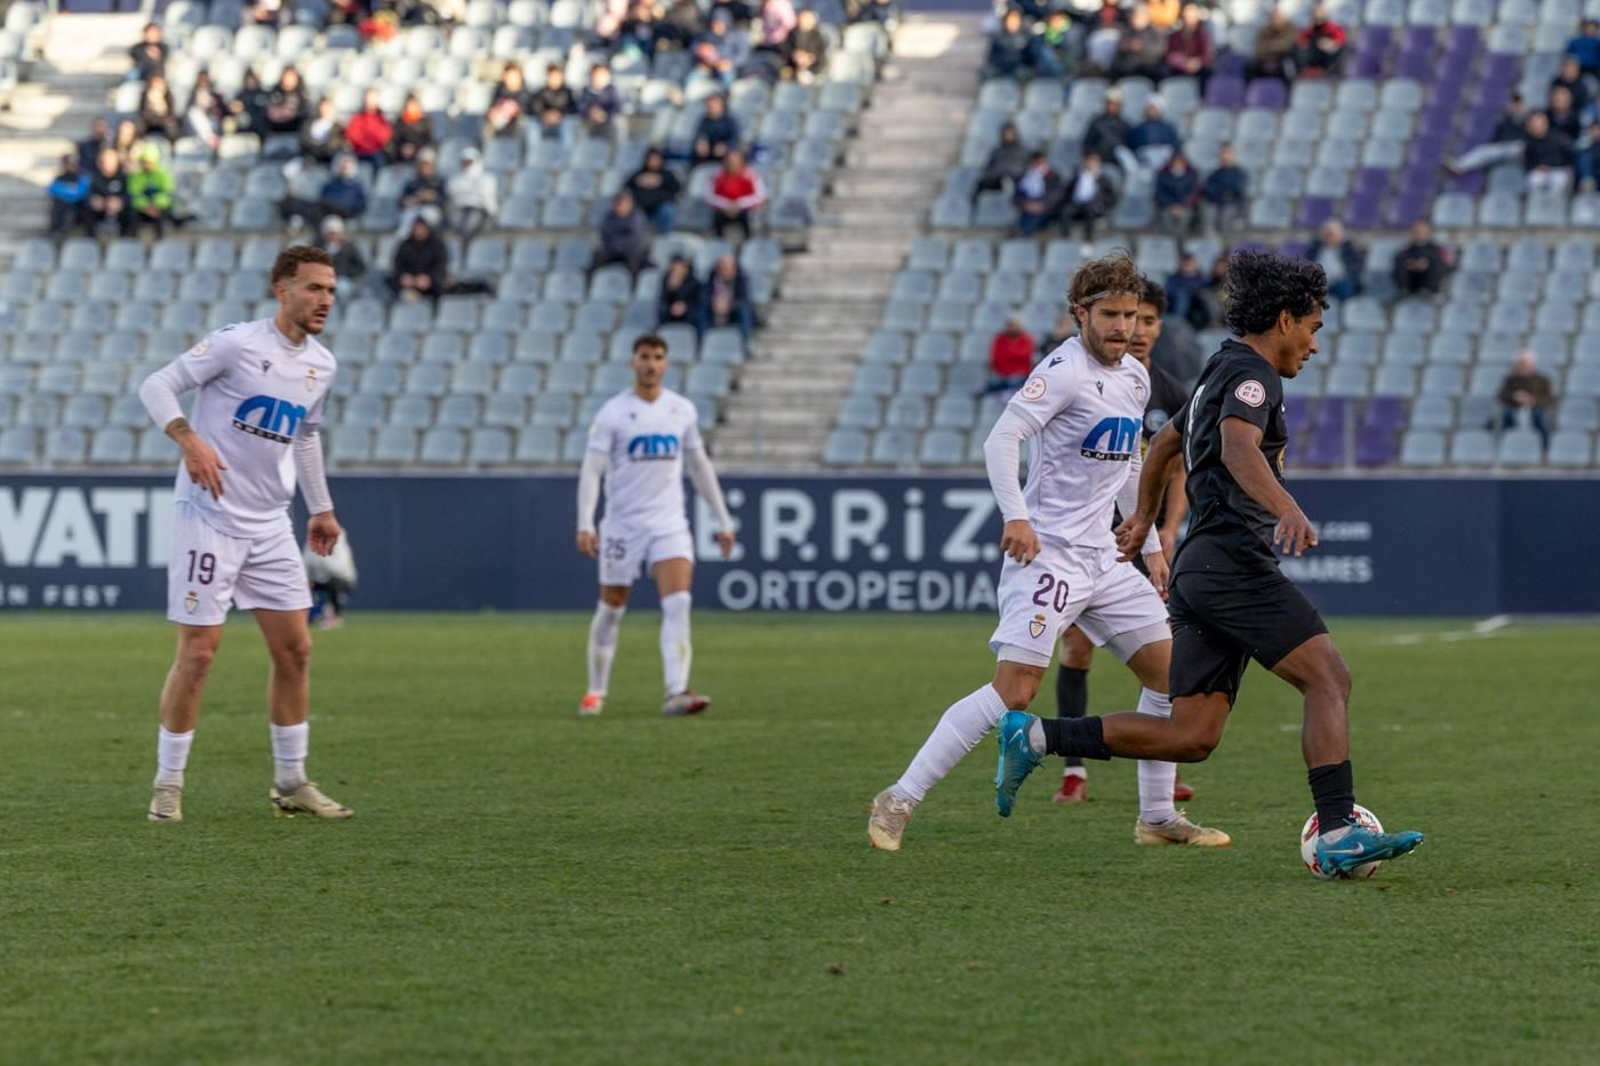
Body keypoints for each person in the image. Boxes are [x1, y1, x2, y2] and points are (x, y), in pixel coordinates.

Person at [994, 249, 1426, 879]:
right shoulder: (1254, 374)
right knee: (1329, 678)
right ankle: (1337, 829)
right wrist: (1285, 506)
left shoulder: (1218, 366)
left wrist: (1142, 517)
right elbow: (1237, 443)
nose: (1313, 343)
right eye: (1312, 327)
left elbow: (1166, 439)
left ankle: (1036, 738)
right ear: (1284, 319)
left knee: (1191, 735)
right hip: (1232, 565)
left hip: (1199, 569)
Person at [867, 253, 1229, 853]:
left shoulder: (1136, 377)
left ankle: (1157, 818)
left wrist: (1140, 525)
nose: (1123, 327)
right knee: (1015, 692)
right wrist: (1017, 516)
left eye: (1132, 315)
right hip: (1049, 556)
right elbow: (1002, 438)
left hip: (1105, 559)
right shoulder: (1062, 370)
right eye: (1109, 314)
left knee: (1173, 678)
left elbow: (1133, 454)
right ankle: (899, 797)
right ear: (1079, 314)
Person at [135, 245, 350, 823]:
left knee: (297, 651)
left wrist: (321, 509)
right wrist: (190, 440)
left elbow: (304, 436)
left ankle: (291, 781)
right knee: (200, 654)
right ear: (282, 291)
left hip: (271, 523)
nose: (325, 299)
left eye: (330, 289)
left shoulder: (321, 364)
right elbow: (157, 385)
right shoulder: (237, 343)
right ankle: (168, 786)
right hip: (209, 517)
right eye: (313, 288)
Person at [1051, 277, 1194, 805]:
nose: (1136, 330)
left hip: (1141, 539)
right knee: (1078, 648)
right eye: (1129, 318)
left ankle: (1163, 776)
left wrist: (1166, 531)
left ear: (1155, 327)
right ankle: (1074, 770)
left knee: (1162, 658)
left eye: (1147, 320)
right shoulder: (1086, 375)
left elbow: (1175, 471)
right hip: (1087, 541)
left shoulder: (1169, 392)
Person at [575, 333, 737, 717]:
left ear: (666, 363)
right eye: (645, 357)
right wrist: (586, 522)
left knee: (679, 603)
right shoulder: (613, 413)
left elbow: (699, 467)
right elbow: (592, 471)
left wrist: (724, 519)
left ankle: (676, 691)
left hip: (669, 524)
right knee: (612, 608)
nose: (651, 364)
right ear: (633, 362)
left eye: (658, 357)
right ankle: (596, 690)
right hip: (623, 525)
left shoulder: (681, 410)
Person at [1445, 93, 1528, 175]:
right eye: (1511, 104)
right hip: (1511, 149)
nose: (1512, 107)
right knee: (1485, 150)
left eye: (1515, 104)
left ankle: (1460, 166)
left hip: (1527, 148)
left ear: (1521, 103)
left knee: (1514, 147)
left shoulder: (1529, 116)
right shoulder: (1507, 119)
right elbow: (1499, 137)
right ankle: (1460, 166)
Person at [1498, 349, 1554, 450]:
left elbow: (1548, 398)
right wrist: (1514, 396)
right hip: (1514, 407)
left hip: (1535, 408)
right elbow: (1502, 395)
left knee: (1540, 420)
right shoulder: (1511, 379)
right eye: (1521, 363)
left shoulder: (1542, 379)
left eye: (1526, 363)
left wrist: (1533, 400)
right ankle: (1502, 448)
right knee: (1505, 418)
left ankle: (1545, 449)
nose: (1523, 366)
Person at [707, 149, 766, 239]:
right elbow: (710, 196)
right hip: (724, 210)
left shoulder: (751, 175)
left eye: (735, 161)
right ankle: (719, 244)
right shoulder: (718, 176)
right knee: (717, 218)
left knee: (747, 219)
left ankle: (747, 243)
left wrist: (739, 204)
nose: (732, 163)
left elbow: (760, 196)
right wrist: (726, 205)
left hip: (745, 210)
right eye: (730, 161)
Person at [592, 190, 652, 277]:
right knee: (598, 256)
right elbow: (604, 235)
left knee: (634, 260)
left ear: (629, 204)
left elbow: (634, 239)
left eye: (621, 204)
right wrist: (615, 244)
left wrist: (616, 242)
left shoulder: (637, 217)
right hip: (613, 250)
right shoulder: (609, 216)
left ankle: (633, 286)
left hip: (633, 251)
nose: (618, 207)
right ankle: (590, 283)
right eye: (616, 204)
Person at [305, 532, 357, 630]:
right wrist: (308, 577)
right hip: (318, 581)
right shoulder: (311, 542)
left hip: (340, 582)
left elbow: (338, 569)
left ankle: (335, 616)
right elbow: (306, 562)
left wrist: (322, 556)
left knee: (335, 584)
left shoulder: (340, 545)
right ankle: (306, 615)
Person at [626, 147, 683, 234]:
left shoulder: (666, 175)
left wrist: (661, 181)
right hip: (640, 210)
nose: (654, 162)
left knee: (669, 210)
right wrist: (638, 181)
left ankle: (665, 237)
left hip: (658, 210)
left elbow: (677, 189)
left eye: (657, 159)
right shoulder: (639, 174)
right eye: (651, 159)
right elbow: (626, 188)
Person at [1061, 150, 1115, 242]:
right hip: (1077, 204)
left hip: (1094, 206)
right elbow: (1067, 191)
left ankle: (1088, 241)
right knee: (1065, 212)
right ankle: (1066, 240)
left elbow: (1111, 196)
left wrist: (1103, 204)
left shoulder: (1103, 179)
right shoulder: (1078, 176)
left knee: (1089, 211)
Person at [391, 215, 448, 300]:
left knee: (439, 284)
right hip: (410, 282)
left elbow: (440, 265)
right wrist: (403, 276)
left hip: (430, 282)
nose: (418, 232)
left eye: (421, 229)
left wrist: (429, 278)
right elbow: (398, 264)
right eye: (416, 229)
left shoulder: (437, 245)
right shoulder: (405, 245)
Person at [1305, 219, 1363, 301]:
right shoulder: (1315, 247)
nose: (1330, 236)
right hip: (1318, 282)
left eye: (1333, 234)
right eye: (1328, 233)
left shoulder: (1348, 249)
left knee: (1347, 286)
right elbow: (1306, 264)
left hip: (1340, 282)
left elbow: (1354, 269)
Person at [448, 146, 498, 240]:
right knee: (456, 220)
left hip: (480, 210)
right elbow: (453, 191)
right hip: (460, 209)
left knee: (471, 222)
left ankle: (467, 246)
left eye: (469, 161)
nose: (466, 164)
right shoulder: (455, 178)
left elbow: (485, 194)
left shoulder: (487, 177)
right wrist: (472, 191)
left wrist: (466, 191)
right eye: (464, 162)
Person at [700, 253, 755, 339]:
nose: (728, 271)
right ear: (718, 269)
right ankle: (703, 341)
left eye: (731, 268)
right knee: (701, 312)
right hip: (713, 310)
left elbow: (744, 300)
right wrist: (714, 304)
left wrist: (729, 306)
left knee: (745, 312)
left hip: (733, 312)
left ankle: (745, 343)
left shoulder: (742, 281)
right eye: (724, 268)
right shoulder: (710, 281)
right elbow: (704, 298)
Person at [128, 142, 175, 237]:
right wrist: (146, 206)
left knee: (161, 217)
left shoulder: (164, 175)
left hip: (159, 208)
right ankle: (132, 241)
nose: (147, 165)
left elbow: (167, 194)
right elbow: (134, 195)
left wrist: (155, 205)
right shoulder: (137, 176)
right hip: (143, 209)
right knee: (131, 215)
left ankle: (159, 243)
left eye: (150, 162)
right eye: (145, 162)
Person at [1392, 221, 1448, 299]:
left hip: (1431, 290)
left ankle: (1427, 291)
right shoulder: (1405, 251)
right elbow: (1398, 269)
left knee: (1436, 261)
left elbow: (1444, 268)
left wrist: (1427, 265)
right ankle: (1405, 291)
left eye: (1423, 232)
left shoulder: (1437, 250)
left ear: (1429, 233)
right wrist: (1412, 265)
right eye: (1417, 232)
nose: (1420, 235)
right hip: (1411, 287)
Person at [1522, 110, 1573, 196]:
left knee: (1558, 180)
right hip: (1538, 172)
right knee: (1534, 180)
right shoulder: (1529, 142)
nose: (1536, 125)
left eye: (1539, 122)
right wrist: (1538, 167)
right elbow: (1528, 164)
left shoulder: (1557, 138)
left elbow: (1566, 159)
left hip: (1558, 170)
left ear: (1546, 123)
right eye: (1534, 123)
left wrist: (1550, 166)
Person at [396, 149, 447, 235]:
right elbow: (401, 201)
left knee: (427, 216)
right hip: (413, 210)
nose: (424, 167)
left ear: (433, 166)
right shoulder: (412, 182)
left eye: (427, 164)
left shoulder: (439, 181)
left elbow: (444, 201)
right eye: (422, 164)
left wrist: (432, 198)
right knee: (406, 220)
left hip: (432, 210)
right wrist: (408, 201)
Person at [974, 122, 1029, 200]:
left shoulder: (1023, 151)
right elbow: (988, 167)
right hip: (997, 179)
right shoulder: (997, 151)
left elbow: (1028, 168)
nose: (1007, 136)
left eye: (1010, 133)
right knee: (981, 184)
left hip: (1016, 179)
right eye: (1005, 134)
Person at [1013, 153, 1062, 236]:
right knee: (1023, 221)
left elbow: (1056, 194)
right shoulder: (1025, 178)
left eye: (1039, 162)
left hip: (1047, 209)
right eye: (1035, 162)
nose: (1037, 165)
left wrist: (1042, 204)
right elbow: (1016, 196)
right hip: (1028, 208)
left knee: (1031, 222)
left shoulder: (1053, 177)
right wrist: (1026, 204)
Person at [88, 146, 133, 237]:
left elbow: (130, 195)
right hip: (101, 209)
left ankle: (126, 238)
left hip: (120, 210)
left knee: (131, 213)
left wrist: (121, 202)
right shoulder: (94, 178)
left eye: (111, 160)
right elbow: (89, 194)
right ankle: (91, 238)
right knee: (87, 212)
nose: (108, 163)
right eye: (106, 161)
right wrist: (95, 201)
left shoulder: (123, 177)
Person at [1162, 2, 1213, 81]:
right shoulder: (1174, 36)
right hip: (1179, 68)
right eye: (1187, 15)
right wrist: (1182, 62)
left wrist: (1197, 62)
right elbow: (1169, 54)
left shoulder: (1202, 35)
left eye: (1192, 15)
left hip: (1197, 68)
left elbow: (1206, 55)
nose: (1189, 18)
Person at [985, 316, 1035, 394]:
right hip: (1000, 373)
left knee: (1015, 383)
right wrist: (1014, 354)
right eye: (1010, 325)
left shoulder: (1026, 339)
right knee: (990, 385)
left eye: (1014, 325)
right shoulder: (999, 338)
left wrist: (1009, 352)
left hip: (1019, 374)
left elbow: (1025, 357)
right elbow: (997, 357)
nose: (1012, 328)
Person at [1154, 152, 1200, 235]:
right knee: (1166, 218)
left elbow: (1193, 193)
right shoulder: (1163, 175)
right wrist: (1171, 205)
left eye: (1180, 162)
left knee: (1185, 218)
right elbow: (1160, 193)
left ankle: (1181, 240)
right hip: (1168, 206)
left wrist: (1183, 205)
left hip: (1186, 206)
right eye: (1175, 161)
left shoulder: (1192, 174)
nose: (1177, 164)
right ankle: (1169, 240)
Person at [1297, 3, 1346, 78]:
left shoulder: (1334, 29)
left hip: (1328, 62)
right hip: (1311, 62)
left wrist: (1330, 44)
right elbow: (1301, 42)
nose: (1318, 14)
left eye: (1321, 12)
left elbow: (1340, 43)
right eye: (1316, 12)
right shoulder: (1309, 30)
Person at [691, 93, 740, 168]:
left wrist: (725, 146)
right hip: (706, 157)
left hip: (724, 158)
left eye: (714, 103)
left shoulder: (730, 121)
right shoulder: (703, 121)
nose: (711, 106)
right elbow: (698, 136)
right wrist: (700, 143)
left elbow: (735, 139)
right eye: (709, 103)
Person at [528, 63, 575, 141]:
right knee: (532, 124)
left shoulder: (568, 92)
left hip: (562, 121)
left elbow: (572, 108)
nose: (554, 79)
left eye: (557, 76)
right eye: (552, 76)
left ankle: (568, 152)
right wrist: (544, 115)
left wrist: (560, 115)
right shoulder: (541, 92)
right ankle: (534, 151)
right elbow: (536, 107)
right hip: (543, 122)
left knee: (568, 125)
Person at [315, 215, 367, 283]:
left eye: (334, 234)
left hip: (343, 279)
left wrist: (348, 274)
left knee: (342, 286)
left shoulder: (349, 247)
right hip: (323, 278)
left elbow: (360, 266)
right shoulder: (318, 248)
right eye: (330, 234)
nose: (332, 236)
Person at [47, 154, 91, 236]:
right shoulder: (60, 178)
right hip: (63, 204)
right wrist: (70, 191)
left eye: (72, 164)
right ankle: (56, 232)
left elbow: (80, 193)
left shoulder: (82, 177)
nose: (70, 166)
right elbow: (52, 190)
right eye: (67, 164)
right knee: (58, 205)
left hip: (78, 204)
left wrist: (65, 192)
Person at [1252, 7, 1299, 81]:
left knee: (1288, 66)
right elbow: (1259, 47)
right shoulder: (1265, 29)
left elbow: (1286, 45)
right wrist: (1268, 58)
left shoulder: (1291, 28)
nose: (1276, 19)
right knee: (1251, 66)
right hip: (1265, 60)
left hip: (1281, 59)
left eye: (1278, 17)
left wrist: (1269, 46)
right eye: (1273, 17)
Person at [985, 8, 1033, 79]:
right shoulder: (998, 38)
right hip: (1001, 71)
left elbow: (1030, 60)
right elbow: (992, 59)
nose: (1013, 23)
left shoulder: (1026, 38)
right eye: (1010, 19)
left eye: (1016, 20)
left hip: (1019, 72)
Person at [298, 97, 348, 165]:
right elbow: (304, 141)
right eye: (322, 106)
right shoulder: (308, 124)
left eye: (326, 107)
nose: (323, 109)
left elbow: (333, 146)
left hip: (330, 158)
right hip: (310, 157)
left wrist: (321, 149)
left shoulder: (337, 127)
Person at [1165, 251, 1209, 327]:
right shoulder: (1173, 278)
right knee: (1181, 295)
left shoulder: (1202, 279)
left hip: (1197, 305)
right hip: (1179, 305)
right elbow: (1168, 292)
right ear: (1180, 264)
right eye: (1186, 263)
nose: (1188, 266)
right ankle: (1179, 324)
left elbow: (1207, 290)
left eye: (1190, 263)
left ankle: (1211, 323)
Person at [786, 7, 829, 83]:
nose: (803, 21)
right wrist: (795, 57)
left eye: (807, 18)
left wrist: (810, 59)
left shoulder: (819, 37)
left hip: (813, 71)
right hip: (794, 68)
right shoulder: (792, 35)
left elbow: (821, 57)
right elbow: (786, 50)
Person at [657, 256, 702, 328]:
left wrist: (685, 307)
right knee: (662, 310)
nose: (677, 270)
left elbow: (696, 301)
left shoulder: (694, 282)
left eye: (680, 267)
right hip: (671, 312)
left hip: (688, 313)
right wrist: (671, 289)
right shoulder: (666, 280)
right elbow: (663, 300)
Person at [579, 63, 620, 139]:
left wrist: (604, 114)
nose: (599, 78)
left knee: (617, 125)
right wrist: (589, 112)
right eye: (597, 75)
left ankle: (614, 150)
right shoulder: (586, 90)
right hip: (588, 121)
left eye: (602, 75)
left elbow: (616, 106)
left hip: (606, 121)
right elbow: (581, 106)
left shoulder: (611, 90)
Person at [138, 74, 182, 144]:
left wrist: (161, 101)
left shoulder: (168, 94)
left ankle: (172, 147)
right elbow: (141, 110)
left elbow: (170, 111)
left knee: (172, 128)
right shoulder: (145, 93)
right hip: (149, 119)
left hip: (163, 119)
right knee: (139, 126)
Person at [391, 94, 434, 164]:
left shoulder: (425, 121)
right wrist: (402, 148)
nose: (412, 107)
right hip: (402, 153)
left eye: (414, 104)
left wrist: (415, 147)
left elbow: (427, 139)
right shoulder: (399, 122)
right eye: (410, 105)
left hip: (419, 152)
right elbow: (395, 139)